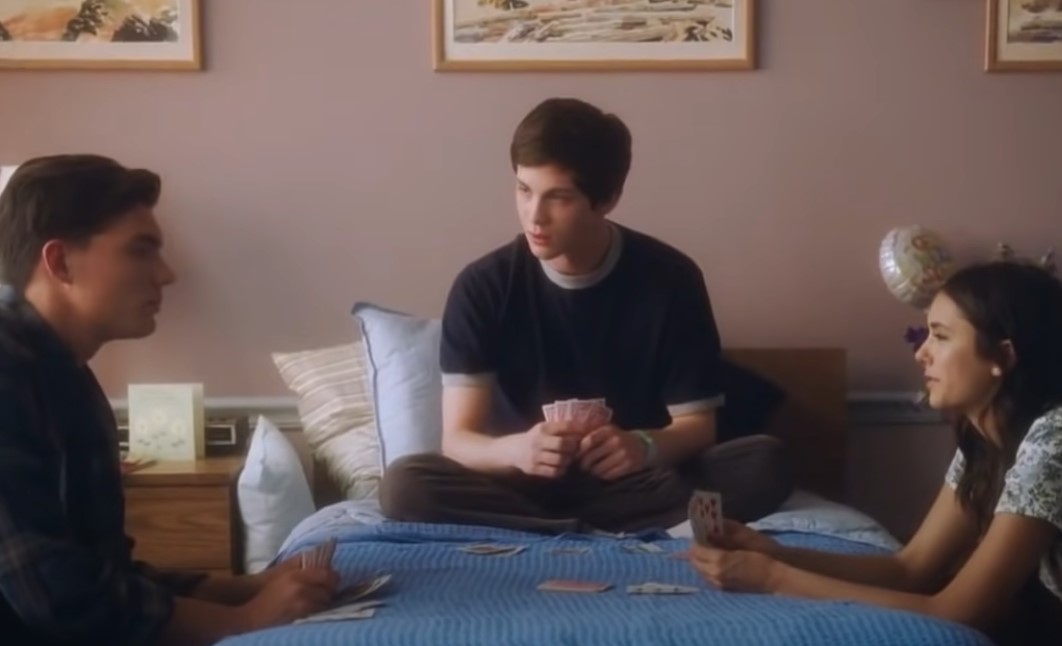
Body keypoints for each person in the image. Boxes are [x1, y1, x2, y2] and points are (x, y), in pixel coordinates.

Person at [379, 97, 794, 535]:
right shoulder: (482, 285)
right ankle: (595, 527)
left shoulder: (671, 279)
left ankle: (550, 528)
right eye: (524, 189)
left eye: (558, 198)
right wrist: (518, 451)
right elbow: (458, 440)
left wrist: (644, 445)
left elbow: (697, 427)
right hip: (518, 484)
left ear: (607, 198)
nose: (534, 216)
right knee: (406, 486)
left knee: (765, 463)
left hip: (635, 483)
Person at [0, 155, 339, 645]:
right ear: (60, 262)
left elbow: (103, 574)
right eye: (141, 250)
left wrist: (241, 591)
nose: (167, 274)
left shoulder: (69, 377)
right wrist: (242, 622)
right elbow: (51, 591)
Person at [689, 261, 1062, 645]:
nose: (922, 353)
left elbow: (958, 611)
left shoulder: (1054, 440)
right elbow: (911, 568)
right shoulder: (982, 437)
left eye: (941, 336)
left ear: (1003, 356)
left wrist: (771, 578)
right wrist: (778, 555)